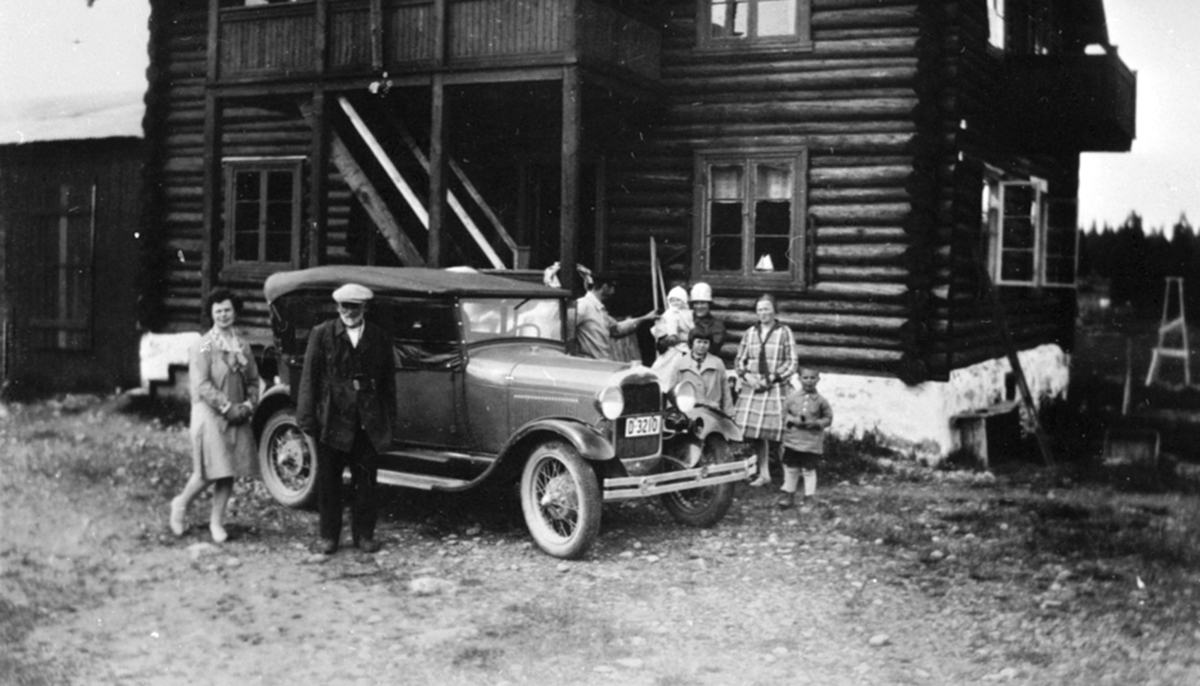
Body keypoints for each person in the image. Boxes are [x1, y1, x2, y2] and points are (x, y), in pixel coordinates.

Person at [297, 283, 396, 555]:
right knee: (329, 481)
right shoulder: (322, 334)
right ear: (337, 306)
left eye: (354, 306)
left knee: (365, 482)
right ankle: (329, 537)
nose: (349, 312)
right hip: (332, 420)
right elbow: (309, 378)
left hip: (367, 421)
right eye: (344, 306)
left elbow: (388, 383)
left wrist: (388, 421)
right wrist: (307, 419)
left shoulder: (378, 337)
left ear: (365, 307)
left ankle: (364, 535)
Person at [169, 289, 261, 544]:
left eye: (228, 310)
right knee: (208, 469)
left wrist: (248, 404)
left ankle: (216, 522)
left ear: (235, 312)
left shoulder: (242, 344)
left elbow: (253, 379)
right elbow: (202, 383)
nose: (223, 315)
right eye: (218, 311)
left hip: (237, 412)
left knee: (228, 469)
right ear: (211, 313)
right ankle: (180, 505)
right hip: (209, 412)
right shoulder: (205, 344)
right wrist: (226, 406)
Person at [732, 293, 797, 487]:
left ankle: (789, 477)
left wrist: (772, 377)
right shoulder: (750, 332)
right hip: (753, 388)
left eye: (767, 308)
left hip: (776, 387)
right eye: (759, 309)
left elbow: (792, 362)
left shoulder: (784, 331)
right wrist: (748, 377)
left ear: (775, 310)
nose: (763, 313)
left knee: (783, 433)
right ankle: (764, 474)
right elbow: (739, 360)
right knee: (758, 435)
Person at [777, 367, 833, 509]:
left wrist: (816, 423)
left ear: (818, 379)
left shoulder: (821, 401)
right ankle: (789, 495)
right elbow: (783, 413)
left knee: (808, 470)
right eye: (805, 378)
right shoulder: (792, 398)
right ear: (799, 379)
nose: (809, 381)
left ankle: (809, 498)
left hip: (811, 443)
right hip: (793, 441)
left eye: (812, 378)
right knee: (791, 468)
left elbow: (828, 418)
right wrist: (793, 420)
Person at [573, 272, 656, 361]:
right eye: (613, 287)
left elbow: (617, 329)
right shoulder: (583, 305)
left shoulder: (600, 310)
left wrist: (646, 318)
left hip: (601, 363)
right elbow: (566, 329)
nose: (614, 291)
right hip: (587, 364)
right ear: (605, 287)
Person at [658, 329, 732, 414]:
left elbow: (725, 390)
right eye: (699, 342)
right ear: (692, 343)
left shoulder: (717, 363)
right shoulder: (680, 363)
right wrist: (672, 413)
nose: (702, 345)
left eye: (705, 342)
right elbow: (672, 391)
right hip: (688, 412)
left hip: (712, 412)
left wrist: (729, 413)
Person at [688, 282, 727, 353]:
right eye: (696, 303)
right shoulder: (685, 318)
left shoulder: (717, 325)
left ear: (709, 304)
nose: (699, 306)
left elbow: (713, 348)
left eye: (703, 303)